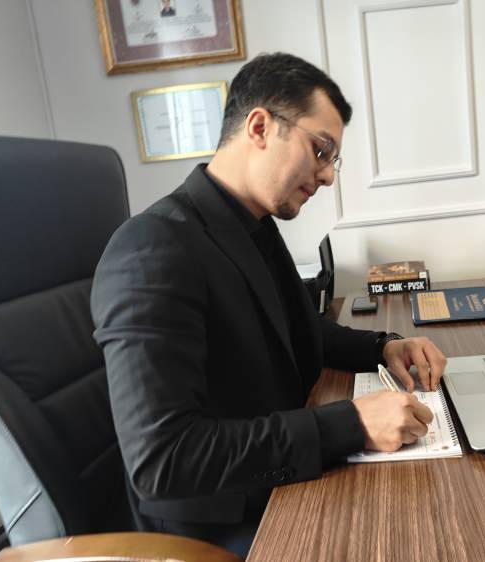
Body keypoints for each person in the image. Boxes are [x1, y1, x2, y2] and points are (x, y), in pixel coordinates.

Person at [91, 52, 447, 557]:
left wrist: (383, 346)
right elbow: (162, 461)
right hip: (220, 524)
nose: (328, 176)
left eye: (332, 160)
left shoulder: (251, 225)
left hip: (278, 480)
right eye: (320, 150)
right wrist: (351, 424)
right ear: (259, 127)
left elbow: (296, 329)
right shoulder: (152, 249)